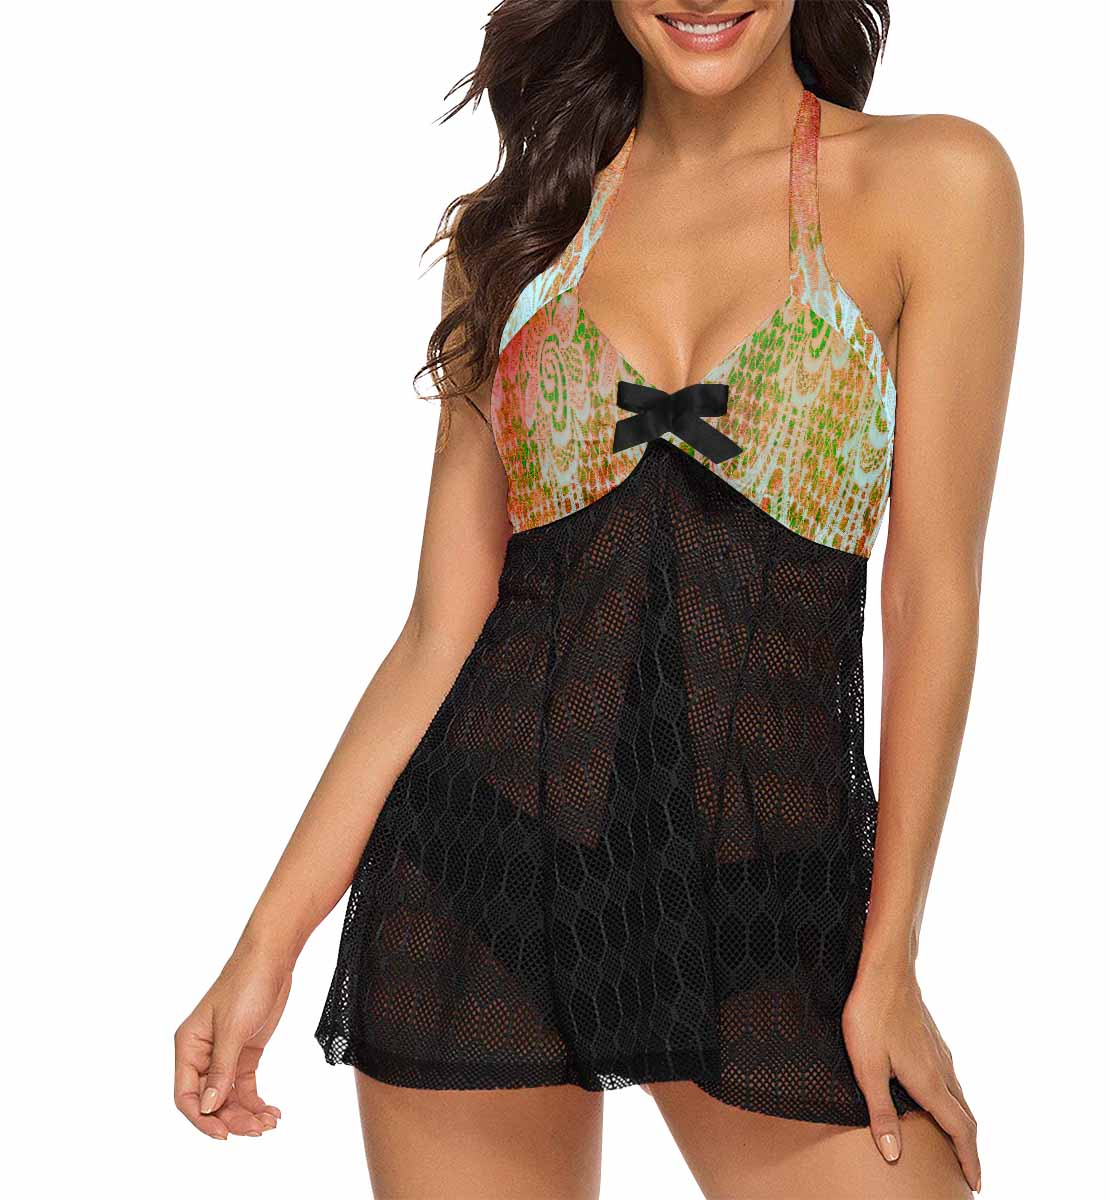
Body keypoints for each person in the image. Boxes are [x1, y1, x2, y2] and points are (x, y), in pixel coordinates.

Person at [173, 3, 1022, 1196]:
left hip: (770, 907)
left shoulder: (936, 184)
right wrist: (268, 941)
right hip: (483, 877)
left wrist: (889, 961)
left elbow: (932, 593)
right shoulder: (518, 232)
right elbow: (439, 631)